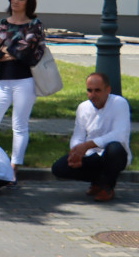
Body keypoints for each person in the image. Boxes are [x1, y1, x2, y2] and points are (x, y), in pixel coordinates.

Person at [0, 0, 46, 178]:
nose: (16, 1)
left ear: (28, 3)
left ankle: (14, 169)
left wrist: (5, 51)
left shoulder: (35, 24)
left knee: (19, 125)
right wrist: (12, 52)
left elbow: (27, 51)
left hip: (24, 81)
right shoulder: (1, 24)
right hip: (2, 81)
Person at [51, 72, 131, 202]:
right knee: (58, 168)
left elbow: (119, 135)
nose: (93, 95)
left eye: (97, 90)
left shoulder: (119, 103)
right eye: (89, 90)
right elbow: (78, 135)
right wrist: (76, 151)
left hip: (113, 155)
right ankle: (98, 181)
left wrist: (87, 145)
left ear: (108, 90)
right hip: (90, 155)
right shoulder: (83, 107)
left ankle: (107, 186)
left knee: (114, 148)